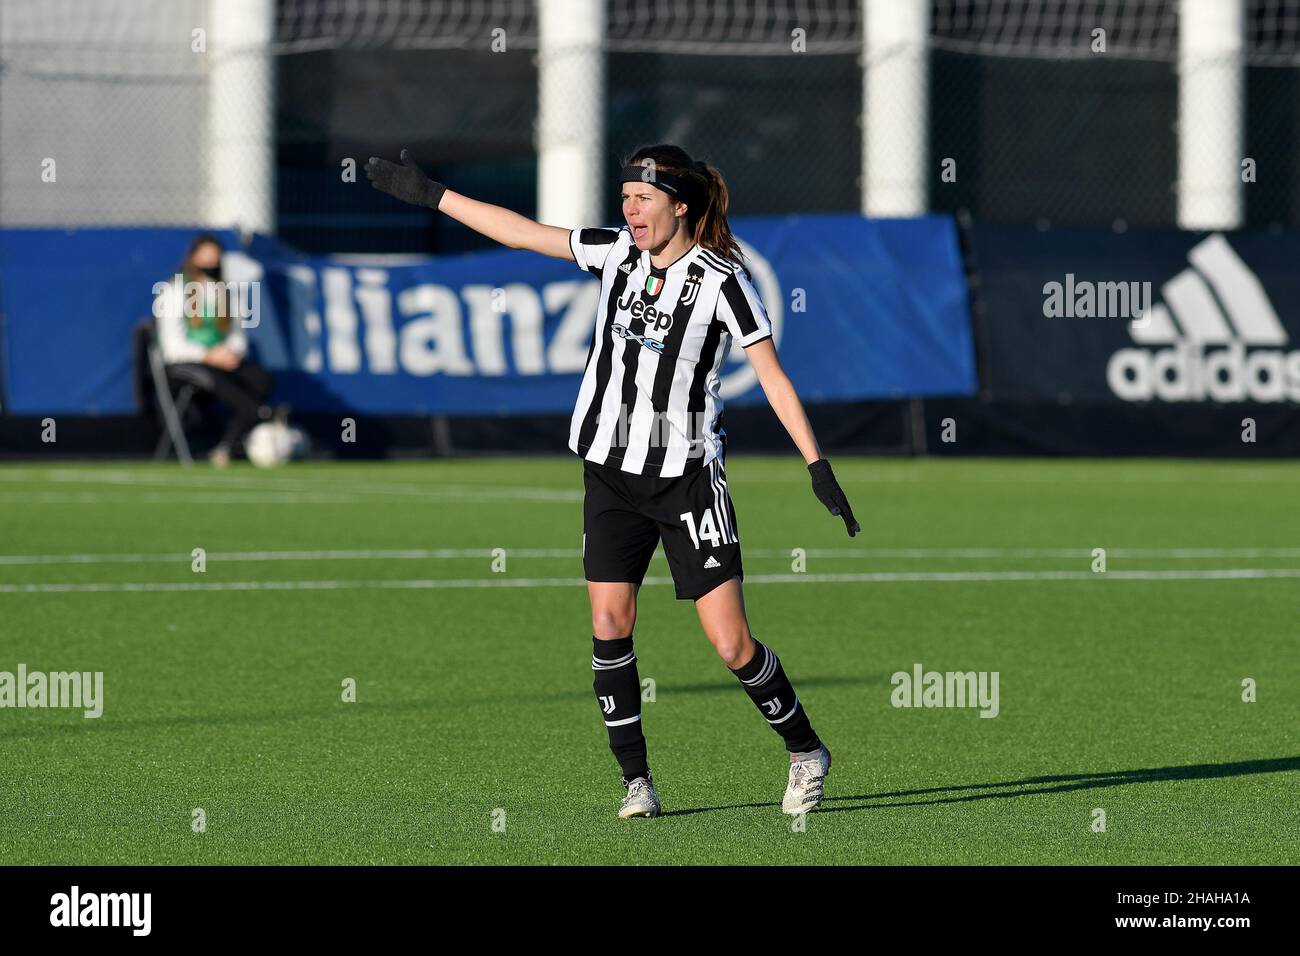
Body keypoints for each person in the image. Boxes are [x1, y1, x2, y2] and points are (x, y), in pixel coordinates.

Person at [366, 144, 859, 819]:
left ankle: (806, 750)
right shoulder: (614, 253)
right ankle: (638, 782)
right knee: (608, 621)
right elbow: (521, 231)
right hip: (609, 473)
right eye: (625, 198)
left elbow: (770, 374)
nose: (630, 210)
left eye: (643, 199)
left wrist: (815, 463)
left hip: (685, 480)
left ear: (679, 205)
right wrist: (432, 195)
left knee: (731, 642)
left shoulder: (721, 280)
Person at [153, 234, 274, 467]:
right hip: (186, 363)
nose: (209, 264)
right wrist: (208, 355)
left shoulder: (223, 292)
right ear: (193, 258)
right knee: (230, 390)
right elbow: (172, 346)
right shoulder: (174, 290)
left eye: (214, 259)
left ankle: (228, 445)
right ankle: (241, 433)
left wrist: (228, 352)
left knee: (260, 380)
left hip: (219, 359)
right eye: (204, 258)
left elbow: (237, 335)